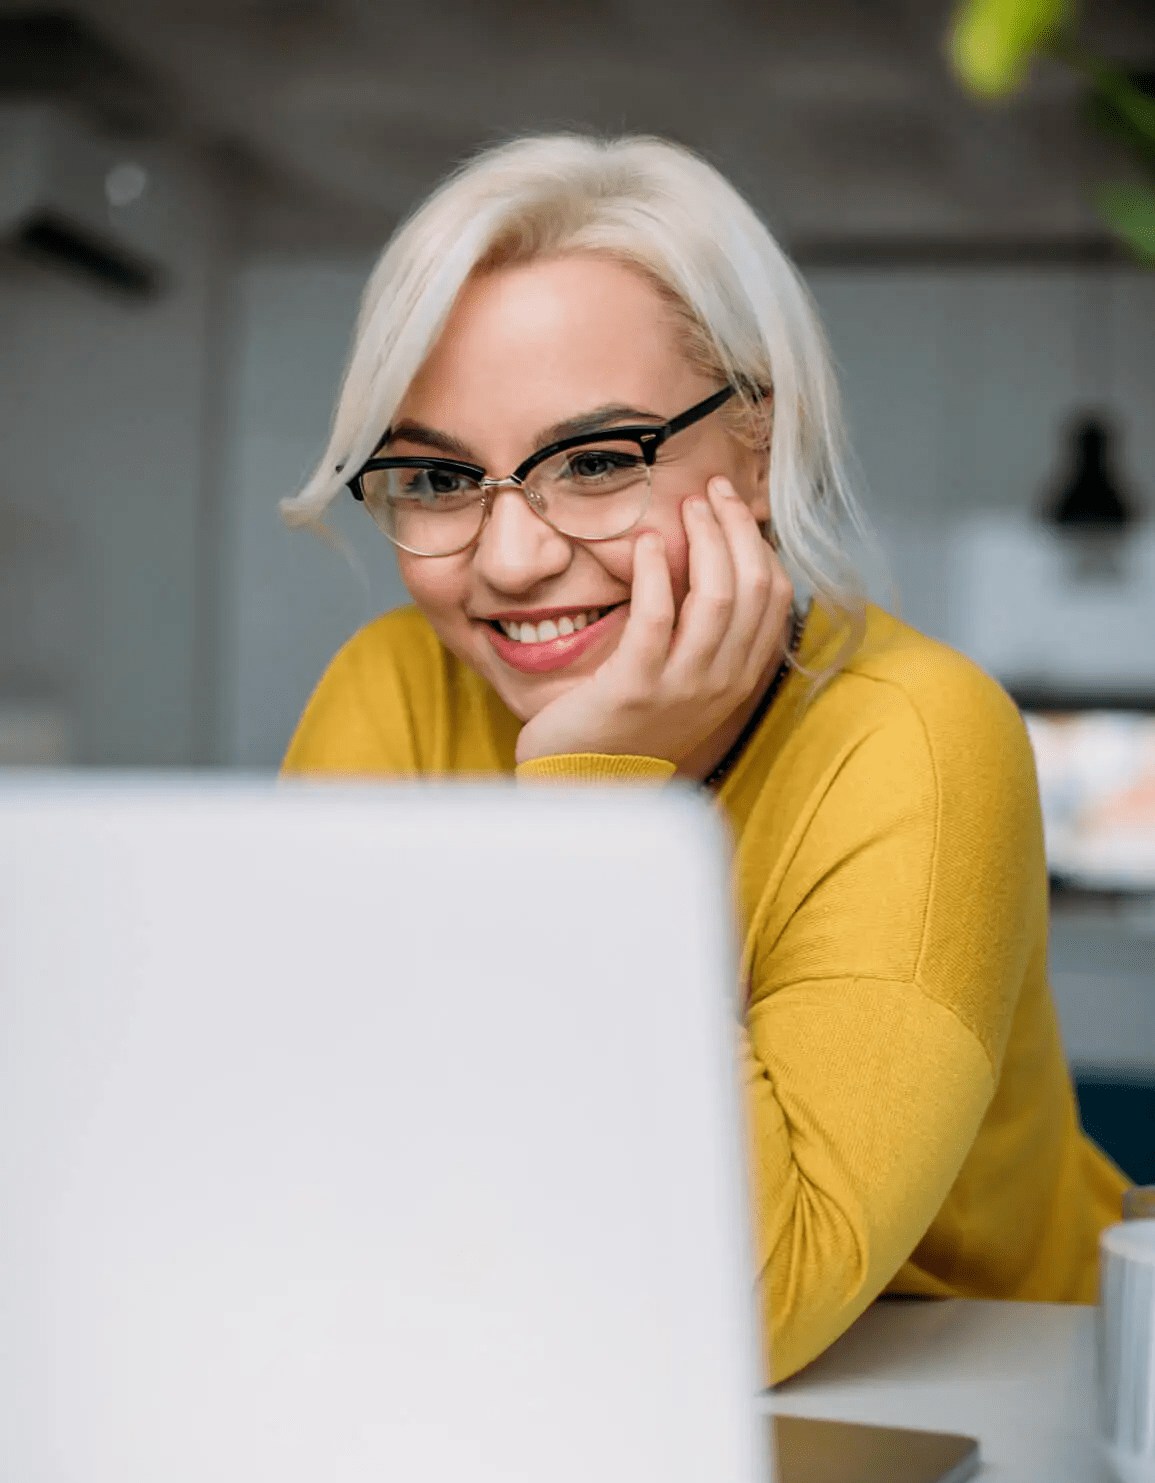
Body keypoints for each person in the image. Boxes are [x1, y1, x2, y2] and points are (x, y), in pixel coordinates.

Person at [280, 132, 1126, 1384]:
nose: (511, 560)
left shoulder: (922, 737)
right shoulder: (393, 689)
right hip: (547, 1362)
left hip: (1000, 1403)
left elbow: (743, 1307)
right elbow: (308, 1149)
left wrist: (598, 805)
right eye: (441, 476)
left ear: (759, 444)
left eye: (599, 460)